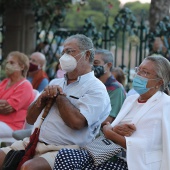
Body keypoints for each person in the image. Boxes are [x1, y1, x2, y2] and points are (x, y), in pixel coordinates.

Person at [0, 34, 111, 170]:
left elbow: (76, 123)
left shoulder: (96, 89)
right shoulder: (56, 82)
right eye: (63, 52)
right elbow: (30, 118)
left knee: (28, 168)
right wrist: (41, 100)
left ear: (87, 55)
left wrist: (60, 96)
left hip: (67, 150)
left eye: (70, 51)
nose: (64, 56)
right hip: (34, 142)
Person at [53, 54, 170, 170]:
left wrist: (110, 133)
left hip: (134, 163)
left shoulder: (165, 104)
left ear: (159, 82)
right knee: (65, 155)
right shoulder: (131, 100)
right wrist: (114, 129)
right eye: (138, 70)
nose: (138, 75)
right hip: (109, 153)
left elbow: (146, 145)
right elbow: (114, 127)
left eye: (145, 72)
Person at [0, 51, 35, 140]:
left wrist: (6, 104)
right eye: (7, 62)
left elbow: (7, 108)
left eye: (12, 62)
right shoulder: (5, 82)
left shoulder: (25, 85)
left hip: (12, 126)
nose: (8, 65)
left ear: (22, 67)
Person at [93, 49, 126, 126]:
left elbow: (108, 120)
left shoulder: (116, 89)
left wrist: (82, 122)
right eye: (90, 62)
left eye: (96, 63)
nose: (92, 66)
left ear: (108, 65)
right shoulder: (92, 85)